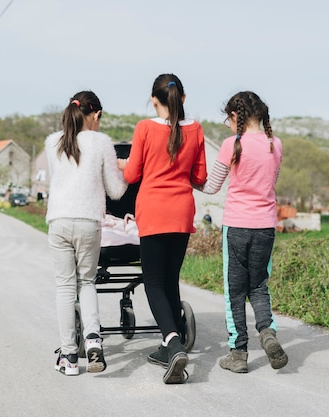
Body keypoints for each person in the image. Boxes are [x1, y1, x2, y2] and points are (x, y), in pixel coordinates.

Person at [119, 73, 207, 384]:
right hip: (181, 212)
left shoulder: (144, 128)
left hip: (153, 212)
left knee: (153, 282)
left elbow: (131, 174)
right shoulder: (195, 130)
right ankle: (172, 343)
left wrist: (120, 164)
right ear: (182, 99)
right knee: (170, 280)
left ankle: (172, 342)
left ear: (154, 101)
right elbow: (200, 176)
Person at [200, 91, 288, 373]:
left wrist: (187, 178)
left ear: (235, 116)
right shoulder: (275, 144)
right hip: (265, 226)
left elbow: (211, 186)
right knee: (259, 286)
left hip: (237, 226)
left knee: (234, 292)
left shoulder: (231, 144)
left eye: (228, 117)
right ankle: (267, 333)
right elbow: (270, 183)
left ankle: (238, 353)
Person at [45, 91, 127, 376]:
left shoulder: (52, 142)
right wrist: (126, 171)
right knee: (87, 282)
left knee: (65, 287)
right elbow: (116, 191)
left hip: (57, 221)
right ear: (95, 115)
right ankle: (93, 342)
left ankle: (68, 357)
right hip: (87, 221)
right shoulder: (101, 142)